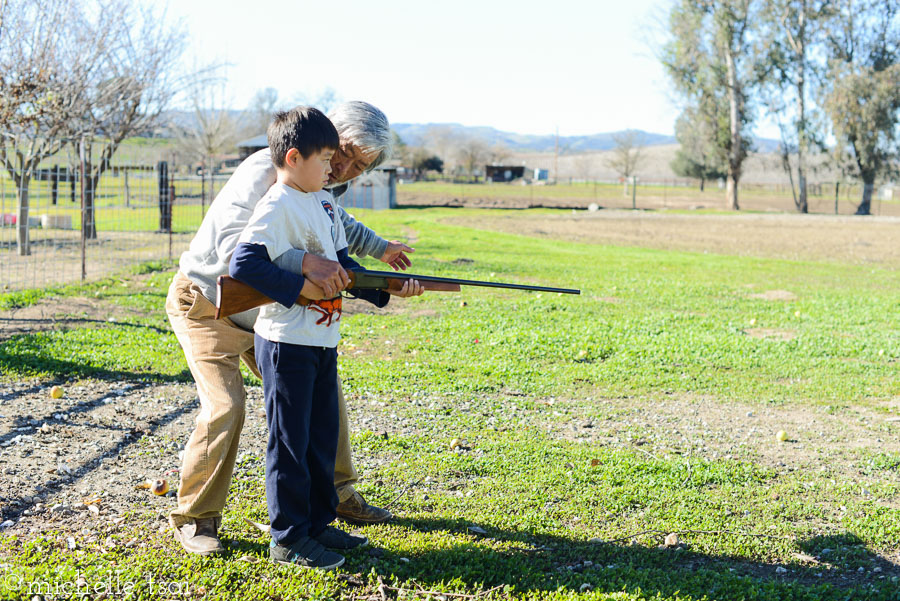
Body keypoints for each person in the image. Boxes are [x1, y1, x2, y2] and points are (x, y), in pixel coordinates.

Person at [165, 101, 418, 556]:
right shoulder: (267, 170)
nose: (346, 170)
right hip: (207, 306)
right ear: (319, 141)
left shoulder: (318, 183)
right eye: (343, 155)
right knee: (225, 407)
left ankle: (335, 498)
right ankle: (196, 517)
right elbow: (232, 250)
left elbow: (337, 223)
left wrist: (381, 259)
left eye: (360, 166)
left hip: (269, 316)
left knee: (325, 404)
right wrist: (306, 263)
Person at [230, 106, 379, 569]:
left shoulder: (323, 202)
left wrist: (387, 289)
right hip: (284, 343)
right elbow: (244, 265)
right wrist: (298, 290)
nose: (334, 169)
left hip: (321, 342)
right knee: (290, 443)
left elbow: (345, 266)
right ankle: (288, 538)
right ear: (294, 158)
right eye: (326, 159)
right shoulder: (277, 203)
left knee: (318, 437)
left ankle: (318, 524)